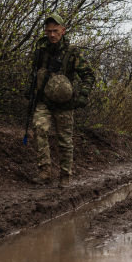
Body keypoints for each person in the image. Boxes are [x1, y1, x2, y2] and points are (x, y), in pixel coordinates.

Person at [26, 13, 95, 186]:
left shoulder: (72, 53)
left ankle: (65, 176)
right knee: (39, 129)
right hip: (44, 101)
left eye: (55, 31)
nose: (52, 35)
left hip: (64, 103)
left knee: (64, 140)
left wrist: (83, 95)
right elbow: (35, 72)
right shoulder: (41, 50)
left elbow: (88, 74)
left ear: (63, 31)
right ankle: (44, 172)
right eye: (48, 31)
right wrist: (30, 90)